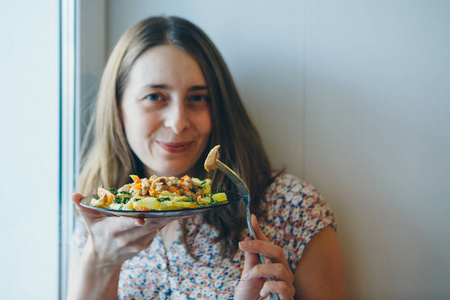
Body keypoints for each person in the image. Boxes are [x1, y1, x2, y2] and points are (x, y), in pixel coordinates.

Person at [68, 16, 346, 300]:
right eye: (155, 97)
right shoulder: (99, 220)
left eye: (198, 98)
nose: (178, 123)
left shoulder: (293, 209)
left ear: (219, 108)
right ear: (118, 109)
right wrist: (99, 265)